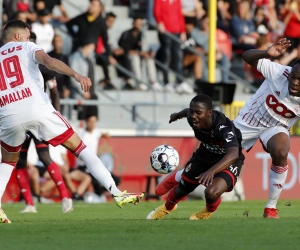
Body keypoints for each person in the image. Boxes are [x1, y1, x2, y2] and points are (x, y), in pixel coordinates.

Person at [0, 20, 144, 224]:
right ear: (17, 36)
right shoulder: (26, 46)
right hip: (37, 108)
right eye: (26, 33)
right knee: (81, 148)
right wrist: (75, 74)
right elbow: (49, 62)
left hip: (7, 113)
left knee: (7, 162)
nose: (29, 36)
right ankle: (116, 192)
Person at [155, 38, 297, 220]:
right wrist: (266, 53)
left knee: (281, 151)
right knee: (216, 157)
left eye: (299, 80)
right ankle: (180, 176)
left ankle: (270, 208)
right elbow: (247, 56)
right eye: (293, 76)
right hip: (248, 122)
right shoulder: (280, 73)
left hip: (276, 127)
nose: (294, 81)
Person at [146, 94, 245, 220]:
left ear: (209, 113)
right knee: (181, 191)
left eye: (198, 112)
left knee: (211, 193)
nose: (193, 116)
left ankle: (207, 211)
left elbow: (233, 153)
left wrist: (212, 171)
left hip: (228, 161)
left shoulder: (223, 127)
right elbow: (186, 112)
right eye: (192, 111)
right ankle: (166, 208)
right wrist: (176, 115)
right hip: (204, 156)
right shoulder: (192, 117)